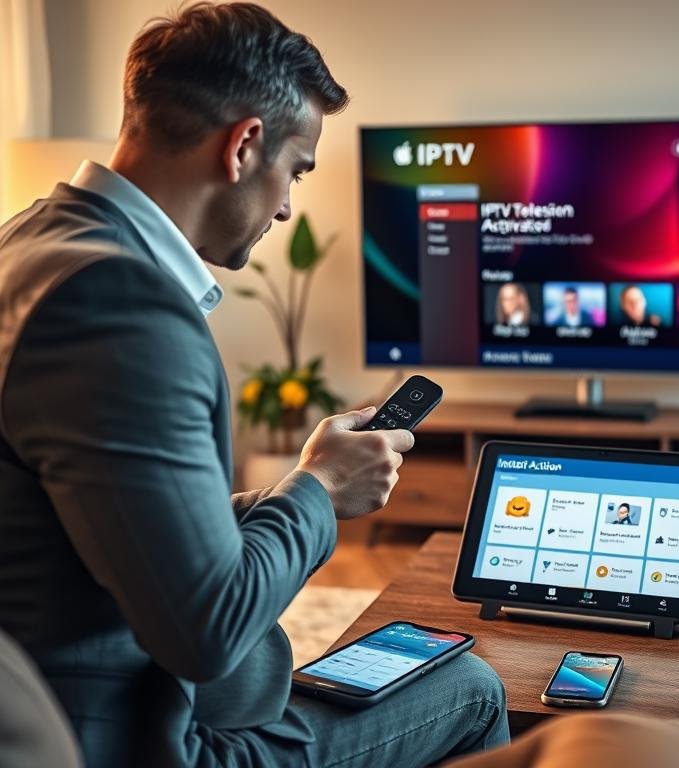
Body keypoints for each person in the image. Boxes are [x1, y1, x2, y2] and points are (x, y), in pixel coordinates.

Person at [0, 3, 506, 767]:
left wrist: (296, 487)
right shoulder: (120, 306)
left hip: (62, 685)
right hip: (125, 737)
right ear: (244, 146)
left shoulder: (29, 243)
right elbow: (207, 629)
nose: (287, 207)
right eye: (295, 171)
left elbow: (116, 516)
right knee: (470, 685)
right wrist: (320, 492)